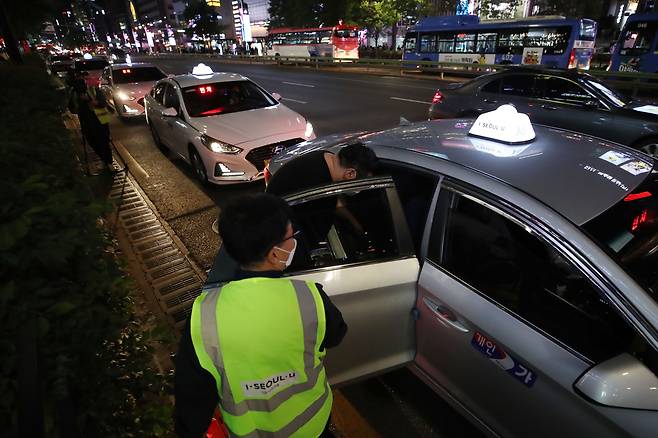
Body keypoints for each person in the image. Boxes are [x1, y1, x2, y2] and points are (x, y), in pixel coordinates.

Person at [176, 194, 347, 438]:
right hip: (314, 427)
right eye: (291, 237)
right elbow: (336, 334)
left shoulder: (204, 316)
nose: (294, 242)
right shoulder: (309, 297)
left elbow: (192, 400)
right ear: (274, 254)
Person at [266, 142, 378, 197]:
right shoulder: (320, 187)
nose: (358, 191)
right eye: (360, 186)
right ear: (350, 174)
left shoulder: (326, 156)